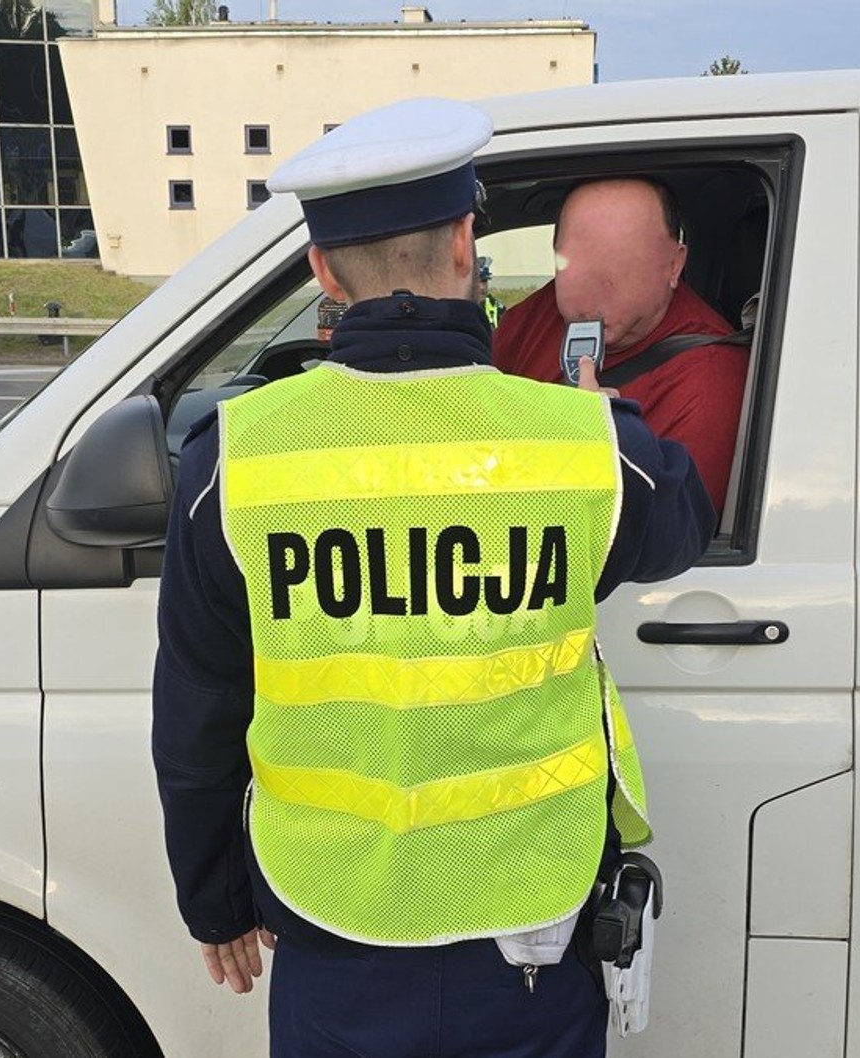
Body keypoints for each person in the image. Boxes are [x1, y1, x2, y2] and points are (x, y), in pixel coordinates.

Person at [152, 97, 715, 1058]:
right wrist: (602, 418)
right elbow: (682, 525)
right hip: (531, 926)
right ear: (465, 244)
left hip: (332, 925)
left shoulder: (232, 460)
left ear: (323, 271)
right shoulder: (586, 448)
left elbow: (197, 714)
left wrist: (214, 901)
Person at [494, 178, 748, 511]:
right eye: (575, 262)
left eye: (622, 263)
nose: (594, 286)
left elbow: (670, 529)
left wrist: (588, 448)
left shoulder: (710, 376)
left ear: (673, 266)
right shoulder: (533, 318)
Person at [476, 255, 505, 328]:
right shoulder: (457, 310)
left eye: (484, 281)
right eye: (477, 281)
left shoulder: (496, 307)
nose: (482, 287)